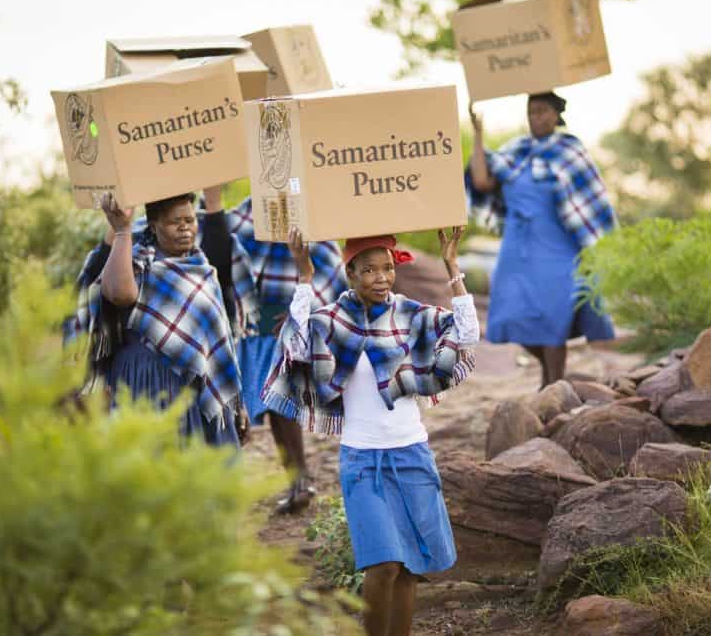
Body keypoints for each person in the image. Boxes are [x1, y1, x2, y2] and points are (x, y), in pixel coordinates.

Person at [262, 227, 478, 636]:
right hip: (362, 460)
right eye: (369, 270)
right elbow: (294, 342)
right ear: (350, 273)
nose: (381, 278)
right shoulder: (330, 321)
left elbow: (466, 335)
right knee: (382, 567)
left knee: (410, 569)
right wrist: (304, 276)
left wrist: (453, 265)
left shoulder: (410, 316)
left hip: (412, 454)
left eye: (387, 268)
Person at [66, 188, 248, 446]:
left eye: (190, 220)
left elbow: (219, 344)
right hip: (146, 380)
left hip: (195, 387)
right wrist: (122, 230)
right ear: (154, 225)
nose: (185, 228)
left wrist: (236, 403)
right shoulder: (137, 261)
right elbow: (119, 294)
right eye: (175, 222)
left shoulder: (203, 270)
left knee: (200, 467)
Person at [466, 92, 617, 388]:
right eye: (531, 111)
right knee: (510, 316)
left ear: (555, 115)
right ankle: (550, 380)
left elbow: (588, 201)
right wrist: (478, 134)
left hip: (557, 249)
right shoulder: (515, 151)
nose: (536, 117)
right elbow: (482, 181)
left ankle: (553, 386)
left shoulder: (569, 151)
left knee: (553, 318)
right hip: (516, 249)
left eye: (542, 111)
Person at [226, 196, 347, 513]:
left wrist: (308, 311)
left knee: (280, 405)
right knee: (269, 410)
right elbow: (228, 251)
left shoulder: (310, 216)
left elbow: (328, 272)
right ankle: (295, 482)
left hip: (288, 321)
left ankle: (300, 481)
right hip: (252, 325)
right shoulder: (247, 213)